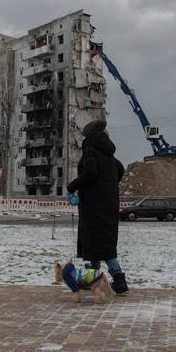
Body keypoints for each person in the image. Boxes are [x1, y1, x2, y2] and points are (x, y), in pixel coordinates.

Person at [67, 120, 128, 295]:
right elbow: (120, 169)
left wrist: (73, 186)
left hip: (93, 207)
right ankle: (112, 282)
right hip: (108, 206)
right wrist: (108, 187)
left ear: (89, 137)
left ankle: (100, 280)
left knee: (95, 245)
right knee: (104, 245)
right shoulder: (109, 154)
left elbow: (90, 173)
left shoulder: (91, 152)